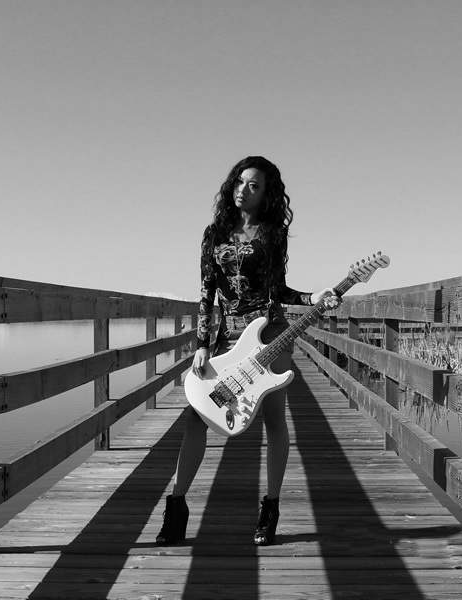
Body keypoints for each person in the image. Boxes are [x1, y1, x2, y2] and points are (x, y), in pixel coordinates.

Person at [156, 155, 340, 547]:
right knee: (196, 416)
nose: (244, 190)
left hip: (270, 334)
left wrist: (313, 296)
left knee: (273, 418)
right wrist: (202, 344)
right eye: (240, 182)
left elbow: (281, 290)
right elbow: (206, 294)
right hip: (226, 338)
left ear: (266, 194)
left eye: (254, 185)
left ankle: (269, 509)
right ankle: (176, 505)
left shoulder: (273, 233)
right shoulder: (215, 232)